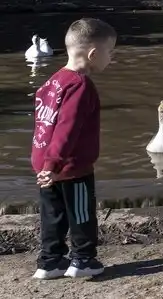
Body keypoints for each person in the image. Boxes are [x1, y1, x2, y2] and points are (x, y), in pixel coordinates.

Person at [31, 18, 117, 279]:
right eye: (110, 52)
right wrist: (55, 164)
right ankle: (82, 260)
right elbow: (66, 130)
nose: (111, 58)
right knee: (81, 213)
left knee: (53, 214)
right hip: (71, 166)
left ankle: (50, 261)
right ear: (93, 54)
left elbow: (42, 124)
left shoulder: (53, 81)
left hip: (44, 163)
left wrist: (44, 165)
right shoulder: (80, 86)